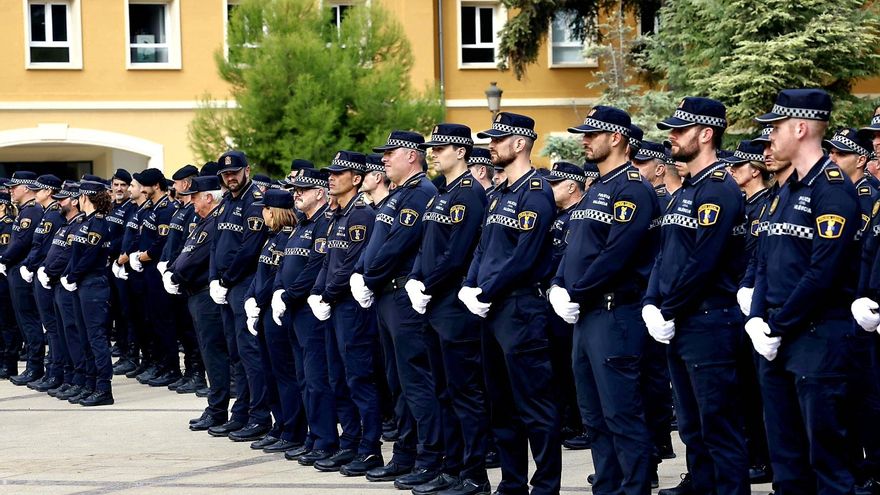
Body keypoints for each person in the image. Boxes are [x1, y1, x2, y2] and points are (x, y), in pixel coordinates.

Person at [750, 89, 860, 493]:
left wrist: (776, 325)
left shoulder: (831, 189)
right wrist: (757, 319)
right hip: (778, 340)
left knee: (827, 460)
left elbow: (822, 272)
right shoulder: (786, 189)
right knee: (787, 461)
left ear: (800, 128)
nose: (770, 137)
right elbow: (764, 259)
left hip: (817, 339)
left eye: (775, 127)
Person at [550, 106, 659, 494]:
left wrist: (575, 291)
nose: (584, 139)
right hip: (587, 317)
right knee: (593, 415)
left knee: (622, 414)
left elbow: (617, 254)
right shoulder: (597, 186)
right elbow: (576, 249)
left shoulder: (632, 187)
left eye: (592, 133)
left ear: (616, 139)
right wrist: (559, 284)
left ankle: (633, 488)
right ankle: (608, 487)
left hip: (615, 314)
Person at [645, 97, 749, 495]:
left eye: (680, 130)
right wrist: (653, 303)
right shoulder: (688, 189)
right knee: (691, 423)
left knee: (718, 424)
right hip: (681, 321)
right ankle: (702, 485)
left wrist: (667, 308)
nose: (671, 136)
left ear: (706, 134)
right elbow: (666, 255)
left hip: (708, 320)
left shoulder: (720, 189)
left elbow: (704, 261)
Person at [462, 112, 561, 495]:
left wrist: (485, 291)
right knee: (500, 405)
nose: (491, 145)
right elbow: (483, 249)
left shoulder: (536, 192)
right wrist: (470, 287)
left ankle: (546, 485)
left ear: (519, 144)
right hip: (492, 310)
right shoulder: (499, 195)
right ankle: (512, 483)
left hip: (520, 309)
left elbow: (524, 256)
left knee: (535, 405)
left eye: (498, 139)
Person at [349, 131, 442, 488]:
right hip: (386, 296)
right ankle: (404, 454)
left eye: (391, 153)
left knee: (416, 382)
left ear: (412, 157)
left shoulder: (420, 193)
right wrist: (361, 273)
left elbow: (399, 245)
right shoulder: (398, 194)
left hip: (402, 295)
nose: (384, 159)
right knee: (397, 382)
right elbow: (376, 244)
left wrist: (367, 277)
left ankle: (429, 457)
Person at [404, 123, 491, 495]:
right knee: (443, 392)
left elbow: (457, 254)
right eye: (433, 148)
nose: (435, 152)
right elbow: (428, 248)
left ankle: (474, 474)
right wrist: (415, 278)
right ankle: (451, 467)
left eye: (441, 148)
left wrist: (427, 284)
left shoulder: (469, 193)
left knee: (465, 394)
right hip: (434, 306)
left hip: (454, 306)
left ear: (461, 152)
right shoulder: (442, 193)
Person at [308, 150, 384, 476]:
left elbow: (352, 263)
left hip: (351, 307)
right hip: (333, 306)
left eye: (338, 173)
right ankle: (350, 442)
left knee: (359, 380)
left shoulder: (362, 214)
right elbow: (329, 262)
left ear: (356, 179)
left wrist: (325, 294)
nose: (331, 177)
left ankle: (370, 449)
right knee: (337, 378)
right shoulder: (336, 214)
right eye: (330, 173)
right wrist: (317, 293)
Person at [273, 168, 349, 465]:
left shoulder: (323, 224)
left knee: (317, 379)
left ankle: (326, 440)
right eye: (295, 190)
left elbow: (315, 267)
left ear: (319, 193)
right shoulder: (299, 224)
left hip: (309, 310)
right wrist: (280, 290)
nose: (296, 194)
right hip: (294, 309)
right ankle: (313, 436)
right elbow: (285, 264)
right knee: (303, 377)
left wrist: (289, 294)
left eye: (302, 190)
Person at [208, 150, 273, 442]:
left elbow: (249, 248)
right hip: (225, 287)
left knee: (250, 354)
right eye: (225, 174)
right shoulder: (225, 203)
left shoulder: (254, 201)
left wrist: (226, 279)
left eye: (234, 172)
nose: (230, 177)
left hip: (243, 284)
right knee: (235, 353)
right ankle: (242, 412)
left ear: (247, 170)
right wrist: (213, 278)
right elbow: (214, 243)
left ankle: (259, 416)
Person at [167, 176, 234, 431]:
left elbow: (197, 257)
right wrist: (172, 269)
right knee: (209, 352)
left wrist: (175, 274)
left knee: (214, 353)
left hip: (207, 294)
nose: (191, 200)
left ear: (208, 197)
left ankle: (218, 409)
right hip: (195, 293)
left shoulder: (215, 222)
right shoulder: (203, 222)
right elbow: (186, 251)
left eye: (195, 196)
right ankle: (215, 407)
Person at [245, 188, 307, 454]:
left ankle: (292, 429)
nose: (262, 213)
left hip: (275, 311)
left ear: (273, 211)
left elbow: (275, 279)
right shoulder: (271, 238)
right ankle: (280, 424)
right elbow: (259, 274)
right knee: (270, 372)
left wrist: (258, 301)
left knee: (284, 373)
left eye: (264, 209)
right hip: (264, 309)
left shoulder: (285, 239)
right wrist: (250, 298)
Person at [542, 161, 589, 450]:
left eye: (554, 184)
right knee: (560, 366)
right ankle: (569, 420)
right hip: (553, 299)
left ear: (572, 186)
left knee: (573, 368)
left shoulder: (577, 218)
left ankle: (581, 423)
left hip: (569, 303)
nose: (549, 189)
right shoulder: (560, 216)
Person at [61, 179, 114, 406]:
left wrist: (72, 276)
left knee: (96, 338)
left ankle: (104, 389)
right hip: (82, 284)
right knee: (84, 337)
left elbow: (90, 256)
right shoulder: (86, 221)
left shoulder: (99, 223)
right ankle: (90, 383)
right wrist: (70, 275)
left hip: (93, 284)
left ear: (85, 197)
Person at [129, 168, 179, 387]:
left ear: (156, 186)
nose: (141, 188)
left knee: (164, 321)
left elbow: (162, 242)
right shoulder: (151, 208)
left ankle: (171, 367)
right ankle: (160, 364)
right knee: (153, 320)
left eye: (144, 185)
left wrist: (143, 256)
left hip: (156, 270)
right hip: (147, 272)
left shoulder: (166, 209)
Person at [161, 164, 205, 394]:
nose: (175, 186)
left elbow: (188, 248)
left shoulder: (193, 212)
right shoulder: (181, 208)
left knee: (190, 330)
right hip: (175, 273)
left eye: (177, 183)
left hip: (186, 277)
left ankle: (197, 373)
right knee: (182, 328)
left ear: (186, 184)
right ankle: (189, 371)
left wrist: (176, 270)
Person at [39, 182, 83, 400]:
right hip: (55, 283)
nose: (58, 203)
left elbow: (67, 256)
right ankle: (68, 376)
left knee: (72, 333)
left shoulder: (77, 225)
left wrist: (49, 271)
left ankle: (77, 378)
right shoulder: (65, 225)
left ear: (74, 201)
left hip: (65, 284)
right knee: (64, 333)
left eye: (63, 199)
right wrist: (45, 269)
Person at [2, 171, 46, 385]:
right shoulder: (25, 210)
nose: (10, 190)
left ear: (27, 188)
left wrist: (3, 257)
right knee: (22, 320)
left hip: (21, 270)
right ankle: (32, 365)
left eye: (14, 186)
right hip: (15, 269)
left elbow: (21, 243)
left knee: (28, 320)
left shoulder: (31, 211)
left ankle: (35, 366)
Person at [22, 175, 65, 393]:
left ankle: (56, 372)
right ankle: (53, 370)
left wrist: (34, 266)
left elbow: (47, 250)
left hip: (47, 274)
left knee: (52, 327)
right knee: (50, 326)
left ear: (48, 192)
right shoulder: (47, 214)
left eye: (38, 190)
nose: (34, 193)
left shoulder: (54, 216)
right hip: (39, 272)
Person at [107, 169, 138, 376]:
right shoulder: (111, 207)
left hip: (123, 265)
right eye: (116, 184)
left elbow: (126, 238)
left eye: (123, 185)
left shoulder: (131, 209)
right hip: (109, 265)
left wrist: (107, 246)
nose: (119, 188)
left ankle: (131, 355)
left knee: (128, 312)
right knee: (116, 311)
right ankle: (122, 350)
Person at [0, 190, 19, 379]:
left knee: (6, 323)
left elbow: (6, 251)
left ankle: (9, 363)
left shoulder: (7, 225)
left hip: (3, 280)